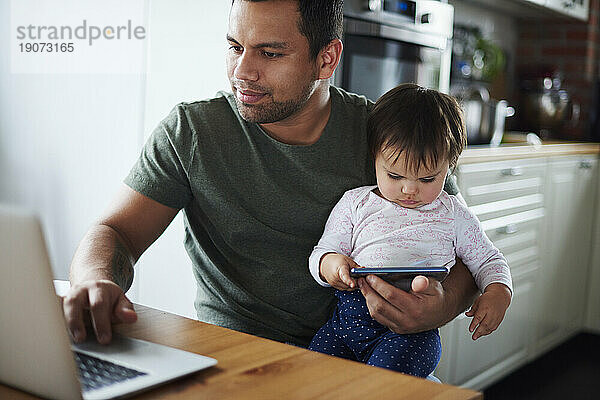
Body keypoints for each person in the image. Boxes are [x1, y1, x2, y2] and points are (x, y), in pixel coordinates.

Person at [63, 0, 479, 348]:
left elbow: (470, 255)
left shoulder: (387, 135)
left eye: (270, 53)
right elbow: (115, 232)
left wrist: (441, 306)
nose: (242, 71)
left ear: (327, 58)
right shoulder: (192, 131)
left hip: (359, 353)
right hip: (230, 354)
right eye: (234, 47)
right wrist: (95, 281)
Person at [307, 83, 513, 377]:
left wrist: (499, 291)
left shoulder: (453, 214)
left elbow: (489, 260)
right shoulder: (355, 203)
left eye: (428, 179)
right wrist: (332, 266)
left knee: (380, 386)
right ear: (375, 156)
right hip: (345, 326)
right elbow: (321, 253)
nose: (409, 189)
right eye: (394, 175)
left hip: (411, 337)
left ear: (449, 167)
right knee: (310, 376)